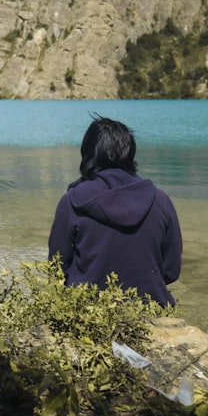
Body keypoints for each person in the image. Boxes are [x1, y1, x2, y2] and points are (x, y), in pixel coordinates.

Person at [48, 115, 182, 306]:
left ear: (88, 153)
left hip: (86, 314)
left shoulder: (72, 202)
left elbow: (57, 268)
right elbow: (171, 270)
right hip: (150, 309)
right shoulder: (161, 200)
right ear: (130, 153)